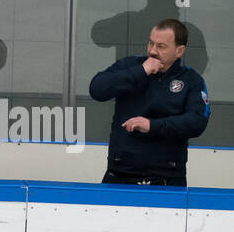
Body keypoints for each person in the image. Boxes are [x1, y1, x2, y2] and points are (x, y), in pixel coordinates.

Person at [88, 18, 209, 187]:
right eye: (151, 43)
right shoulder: (131, 65)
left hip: (167, 178)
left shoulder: (191, 80)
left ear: (179, 51)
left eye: (161, 46)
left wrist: (152, 126)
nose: (153, 50)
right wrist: (141, 71)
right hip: (119, 175)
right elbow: (97, 89)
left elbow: (197, 122)